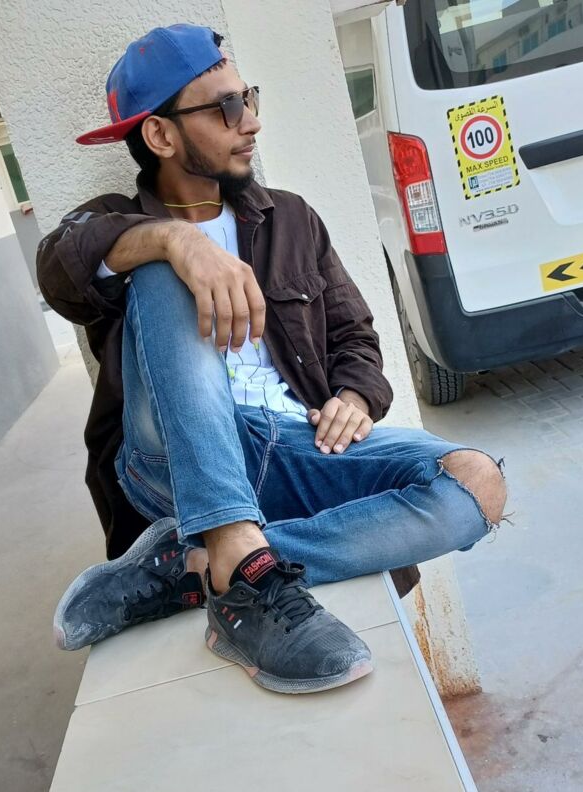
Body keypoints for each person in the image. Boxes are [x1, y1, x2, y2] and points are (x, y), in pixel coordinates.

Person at [39, 24, 506, 694]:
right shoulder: (115, 222)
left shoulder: (291, 218)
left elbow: (356, 336)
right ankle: (235, 557)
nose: (251, 121)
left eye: (248, 97)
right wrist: (176, 241)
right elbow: (58, 266)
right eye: (226, 107)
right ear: (161, 135)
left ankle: (207, 566)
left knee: (476, 483)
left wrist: (354, 396)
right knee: (163, 265)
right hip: (170, 460)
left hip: (295, 446)